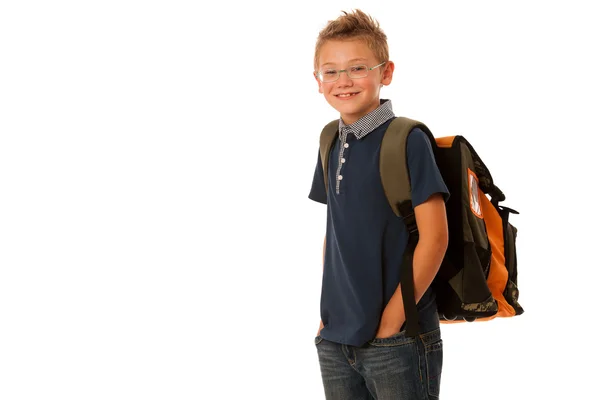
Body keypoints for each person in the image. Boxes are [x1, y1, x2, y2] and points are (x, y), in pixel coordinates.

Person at [308, 9, 450, 400]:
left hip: (397, 339)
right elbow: (334, 233)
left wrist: (392, 322)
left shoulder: (406, 139)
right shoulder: (329, 140)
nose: (343, 81)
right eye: (330, 71)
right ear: (317, 81)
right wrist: (328, 317)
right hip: (337, 339)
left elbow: (435, 238)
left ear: (385, 72)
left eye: (357, 68)